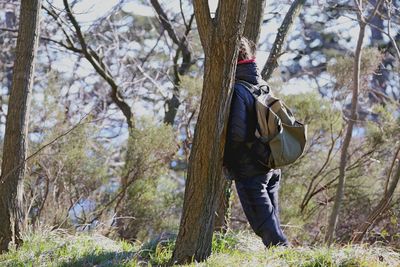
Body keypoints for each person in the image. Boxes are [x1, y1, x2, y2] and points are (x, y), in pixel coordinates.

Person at [223, 37, 289, 247]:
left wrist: (227, 160)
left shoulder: (238, 90)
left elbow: (236, 135)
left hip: (250, 168)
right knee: (272, 220)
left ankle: (284, 255)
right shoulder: (261, 83)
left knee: (264, 225)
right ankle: (281, 257)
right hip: (270, 162)